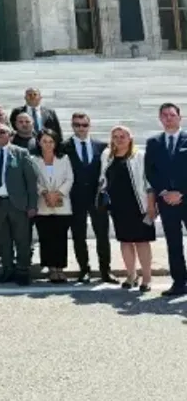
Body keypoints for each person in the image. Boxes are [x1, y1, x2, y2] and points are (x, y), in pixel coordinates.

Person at [0, 122, 38, 286]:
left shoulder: (20, 153)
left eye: (3, 132)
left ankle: (23, 271)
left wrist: (32, 205)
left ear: (10, 135)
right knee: (3, 240)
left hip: (18, 204)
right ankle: (7, 269)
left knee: (22, 240)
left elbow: (31, 181)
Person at [101, 125, 156, 293]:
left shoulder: (139, 156)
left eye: (122, 136)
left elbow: (149, 183)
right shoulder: (107, 156)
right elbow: (103, 179)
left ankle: (146, 277)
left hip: (139, 206)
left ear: (130, 138)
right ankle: (131, 275)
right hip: (118, 207)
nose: (119, 139)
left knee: (141, 242)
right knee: (125, 242)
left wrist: (151, 206)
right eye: (115, 136)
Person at [143, 102, 187, 297]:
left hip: (185, 197)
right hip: (166, 201)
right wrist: (164, 192)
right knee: (173, 243)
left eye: (172, 115)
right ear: (160, 118)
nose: (169, 118)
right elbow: (150, 171)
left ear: (180, 117)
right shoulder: (153, 143)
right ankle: (179, 283)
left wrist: (181, 193)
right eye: (165, 115)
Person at [62, 111, 111, 283]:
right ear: (72, 126)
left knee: (102, 235)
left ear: (89, 126)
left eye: (84, 125)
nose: (81, 128)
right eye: (77, 125)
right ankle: (84, 269)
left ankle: (106, 270)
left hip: (97, 199)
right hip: (75, 199)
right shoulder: (63, 146)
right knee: (78, 236)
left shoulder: (102, 146)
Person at [31, 129, 73, 284]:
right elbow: (33, 179)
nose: (48, 145)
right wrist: (45, 193)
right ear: (39, 142)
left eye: (51, 141)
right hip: (42, 204)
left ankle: (60, 268)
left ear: (55, 143)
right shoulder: (33, 159)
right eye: (44, 141)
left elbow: (69, 178)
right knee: (46, 237)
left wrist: (58, 193)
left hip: (62, 204)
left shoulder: (64, 158)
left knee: (60, 237)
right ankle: (51, 268)